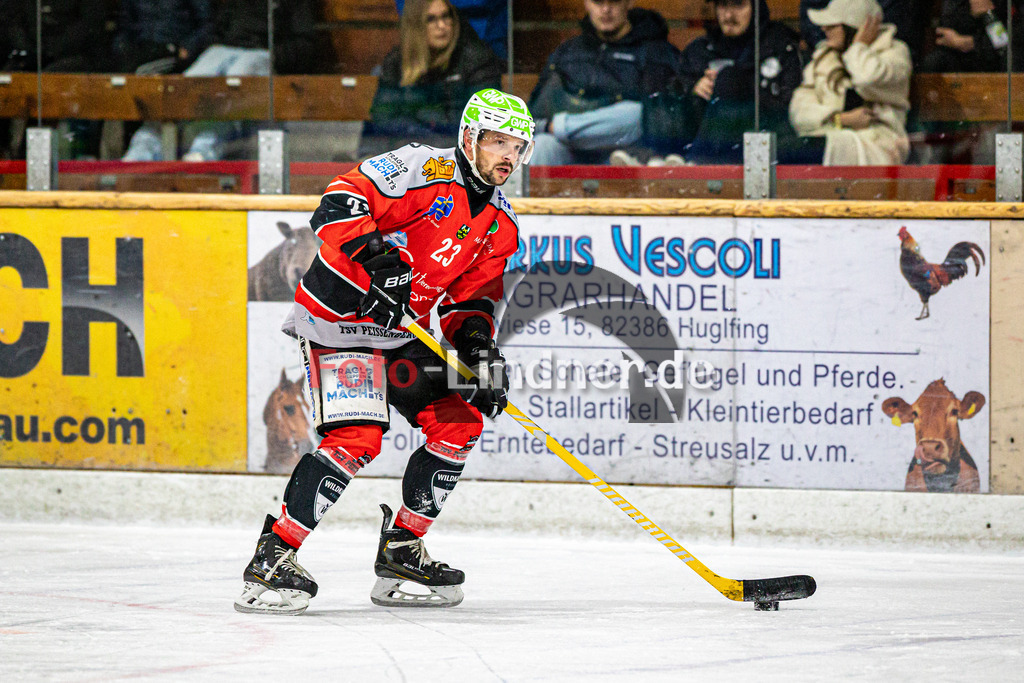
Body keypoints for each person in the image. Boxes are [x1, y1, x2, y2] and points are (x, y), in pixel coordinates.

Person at [234, 88, 533, 615]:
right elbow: (334, 208)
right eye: (497, 142)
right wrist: (376, 258)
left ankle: (402, 549)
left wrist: (479, 351)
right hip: (338, 323)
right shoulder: (420, 167)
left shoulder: (500, 224)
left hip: (400, 334)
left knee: (459, 421)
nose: (507, 156)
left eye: (518, 147)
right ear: (470, 138)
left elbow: (471, 301)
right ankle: (273, 555)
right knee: (357, 438)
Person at [121, 0, 318, 161]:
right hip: (223, 50)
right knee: (187, 86)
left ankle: (203, 150)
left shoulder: (293, 4)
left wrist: (275, 56)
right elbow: (216, 29)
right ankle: (142, 149)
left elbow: (304, 44)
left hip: (260, 54)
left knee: (233, 85)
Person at [642, 0, 803, 165]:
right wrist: (694, 88)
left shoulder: (780, 47)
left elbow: (787, 107)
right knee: (656, 76)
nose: (728, 15)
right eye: (723, 5)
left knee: (729, 79)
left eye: (738, 5)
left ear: (756, 8)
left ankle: (697, 162)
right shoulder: (700, 50)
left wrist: (737, 86)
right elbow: (675, 95)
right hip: (698, 139)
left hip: (761, 143)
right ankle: (655, 160)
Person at [527, 0, 678, 165]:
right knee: (541, 145)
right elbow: (536, 109)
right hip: (572, 148)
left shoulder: (655, 51)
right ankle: (517, 191)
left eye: (614, 1)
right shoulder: (569, 51)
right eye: (598, 2)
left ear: (629, 3)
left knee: (636, 114)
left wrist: (555, 127)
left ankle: (558, 127)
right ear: (586, 3)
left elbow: (661, 118)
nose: (606, 9)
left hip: (627, 149)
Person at [361, 0, 503, 156]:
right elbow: (383, 116)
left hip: (460, 156)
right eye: (431, 19)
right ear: (415, 25)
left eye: (446, 17)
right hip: (408, 154)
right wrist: (419, 134)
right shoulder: (397, 62)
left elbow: (484, 120)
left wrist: (427, 134)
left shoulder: (476, 59)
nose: (441, 25)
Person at [789, 0, 912, 165]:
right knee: (790, 150)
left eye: (832, 25)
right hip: (828, 136)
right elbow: (798, 111)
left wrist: (858, 47)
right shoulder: (823, 57)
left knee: (810, 153)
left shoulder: (893, 53)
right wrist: (840, 118)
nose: (824, 29)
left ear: (854, 27)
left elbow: (866, 79)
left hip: (877, 143)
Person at [917, 0, 1014, 72]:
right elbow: (948, 25)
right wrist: (972, 16)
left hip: (998, 48)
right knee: (934, 62)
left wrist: (989, 12)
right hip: (960, 52)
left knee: (1010, 58)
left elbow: (1006, 38)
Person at [395, 0, 508, 60]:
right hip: (423, 50)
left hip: (488, 41)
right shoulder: (393, 64)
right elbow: (409, 9)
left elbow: (481, 2)